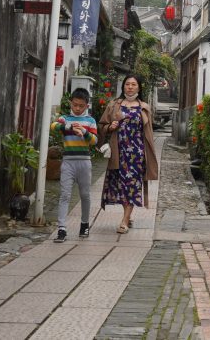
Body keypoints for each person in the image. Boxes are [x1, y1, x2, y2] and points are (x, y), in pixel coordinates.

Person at [97, 74, 159, 234]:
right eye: (127, 84)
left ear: (139, 87)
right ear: (123, 86)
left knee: (132, 185)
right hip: (119, 152)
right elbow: (102, 125)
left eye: (133, 84)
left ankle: (124, 220)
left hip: (137, 153)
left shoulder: (144, 107)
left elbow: (148, 132)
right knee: (121, 185)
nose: (130, 87)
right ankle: (128, 214)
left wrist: (149, 155)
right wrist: (110, 127)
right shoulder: (114, 105)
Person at [53, 88, 98, 243]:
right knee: (65, 194)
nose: (77, 108)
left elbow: (95, 140)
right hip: (68, 162)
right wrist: (70, 127)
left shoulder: (90, 121)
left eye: (81, 106)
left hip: (84, 162)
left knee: (85, 195)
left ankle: (84, 224)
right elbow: (53, 126)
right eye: (75, 104)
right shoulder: (65, 118)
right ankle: (61, 228)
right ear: (70, 103)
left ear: (87, 105)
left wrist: (84, 132)